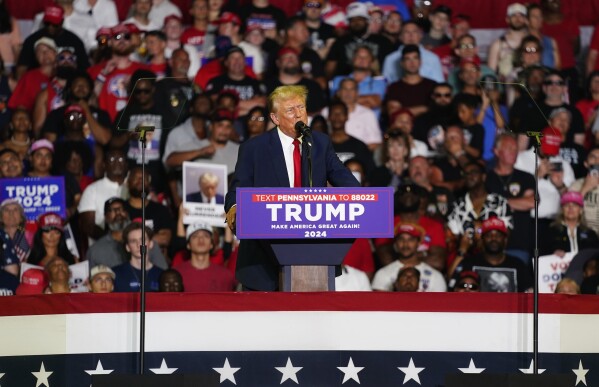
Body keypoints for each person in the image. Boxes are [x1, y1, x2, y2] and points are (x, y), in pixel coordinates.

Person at [224, 85, 359, 290]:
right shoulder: (255, 148)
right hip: (263, 259)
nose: (298, 114)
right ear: (275, 118)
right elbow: (238, 186)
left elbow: (344, 178)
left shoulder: (320, 143)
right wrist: (234, 207)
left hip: (313, 257)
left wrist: (364, 198)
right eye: (290, 110)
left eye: (301, 108)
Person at [450, 217, 533, 293]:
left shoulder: (518, 265)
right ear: (482, 240)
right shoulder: (470, 262)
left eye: (498, 235)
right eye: (489, 235)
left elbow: (530, 292)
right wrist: (462, 251)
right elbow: (451, 282)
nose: (493, 238)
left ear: (505, 240)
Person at [86, 197, 168, 270]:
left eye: (122, 209)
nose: (118, 213)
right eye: (112, 210)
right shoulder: (95, 250)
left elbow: (162, 272)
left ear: (128, 214)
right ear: (106, 217)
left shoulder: (146, 242)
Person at [372, 223, 447, 292]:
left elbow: (441, 305)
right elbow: (378, 304)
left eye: (410, 239)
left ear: (418, 242)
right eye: (401, 239)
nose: (405, 244)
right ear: (395, 243)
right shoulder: (383, 274)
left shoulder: (435, 276)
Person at [78, 149, 128, 242]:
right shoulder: (92, 190)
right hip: (102, 247)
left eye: (121, 159)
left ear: (126, 164)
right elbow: (87, 225)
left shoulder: (134, 187)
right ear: (104, 164)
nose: (117, 162)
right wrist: (111, 239)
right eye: (112, 159)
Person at [174, 223, 236, 292]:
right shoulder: (176, 274)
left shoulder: (225, 276)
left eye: (206, 236)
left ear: (212, 244)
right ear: (188, 245)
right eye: (195, 236)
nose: (201, 239)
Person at [541, 191, 599, 256]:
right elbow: (542, 254)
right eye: (566, 205)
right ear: (562, 210)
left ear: (581, 210)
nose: (570, 208)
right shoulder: (550, 232)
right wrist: (553, 253)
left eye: (574, 205)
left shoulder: (590, 234)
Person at [113, 221, 163, 292]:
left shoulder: (161, 275)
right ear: (127, 247)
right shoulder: (115, 274)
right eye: (133, 241)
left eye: (142, 240)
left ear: (151, 244)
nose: (139, 245)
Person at [486, 3, 528, 82]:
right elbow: (490, 73)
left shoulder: (532, 42)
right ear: (507, 19)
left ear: (525, 20)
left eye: (521, 16)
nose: (517, 19)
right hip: (504, 88)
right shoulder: (498, 44)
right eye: (514, 16)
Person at [569, 146, 599, 234]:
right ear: (586, 163)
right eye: (593, 157)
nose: (597, 161)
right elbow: (568, 210)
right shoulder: (576, 185)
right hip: (584, 236)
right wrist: (585, 188)